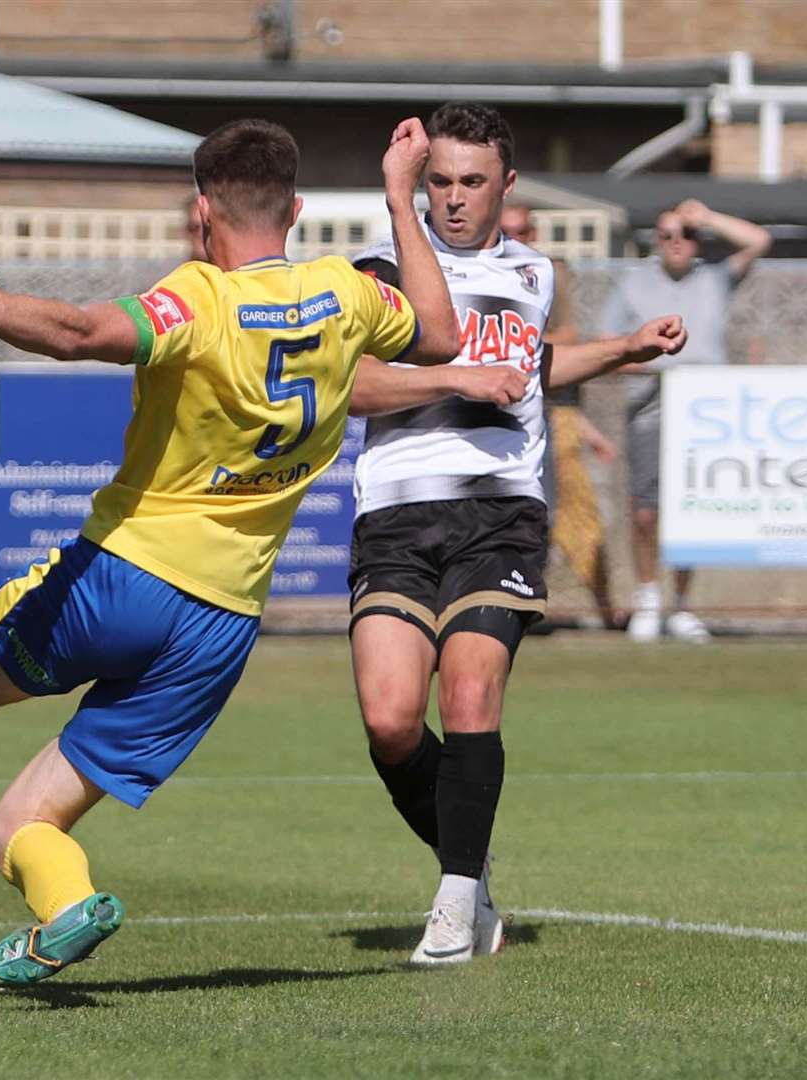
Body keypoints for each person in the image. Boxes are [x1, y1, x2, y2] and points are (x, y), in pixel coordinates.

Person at [0, 117, 486, 985]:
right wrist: (397, 195)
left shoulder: (199, 298)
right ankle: (66, 907)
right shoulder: (344, 294)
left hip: (121, 579)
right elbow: (441, 331)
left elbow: (79, 332)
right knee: (23, 823)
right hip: (221, 625)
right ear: (298, 208)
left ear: (203, 214)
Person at [343, 102, 687, 966]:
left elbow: (530, 367)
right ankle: (473, 868)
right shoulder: (378, 271)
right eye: (440, 183)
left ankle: (454, 912)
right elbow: (353, 386)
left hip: (499, 510)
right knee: (390, 722)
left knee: (469, 696)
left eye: (472, 182)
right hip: (394, 512)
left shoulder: (532, 272)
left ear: (506, 185)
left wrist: (623, 348)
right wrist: (457, 375)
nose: (454, 199)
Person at [599, 199, 771, 643]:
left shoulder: (714, 278)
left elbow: (759, 240)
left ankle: (681, 605)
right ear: (656, 241)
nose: (678, 243)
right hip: (650, 407)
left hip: (704, 412)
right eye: (668, 235)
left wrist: (709, 217)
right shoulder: (634, 284)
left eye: (687, 235)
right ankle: (648, 599)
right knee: (644, 510)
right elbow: (606, 348)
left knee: (689, 510)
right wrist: (650, 363)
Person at [498, 204, 623, 629]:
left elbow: (568, 336)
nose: (519, 236)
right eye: (509, 229)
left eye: (525, 229)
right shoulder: (482, 270)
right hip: (499, 410)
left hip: (555, 410)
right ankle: (520, 601)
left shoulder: (549, 272)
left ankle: (607, 607)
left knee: (577, 511)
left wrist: (514, 344)